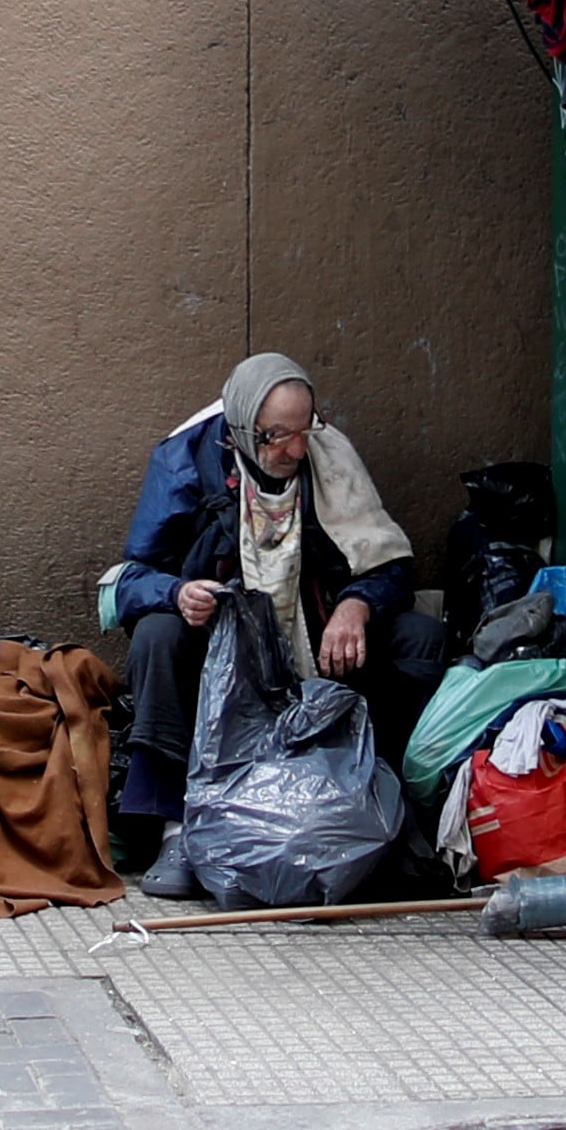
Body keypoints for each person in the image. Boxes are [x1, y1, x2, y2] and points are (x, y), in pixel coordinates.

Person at [104, 352, 450, 869]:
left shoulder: (330, 456)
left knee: (419, 637)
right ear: (241, 429)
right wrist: (179, 594)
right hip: (224, 649)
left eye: (303, 429)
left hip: (319, 644)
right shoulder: (184, 460)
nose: (294, 448)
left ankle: (393, 809)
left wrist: (356, 605)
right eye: (275, 437)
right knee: (158, 635)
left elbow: (390, 565)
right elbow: (132, 578)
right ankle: (175, 830)